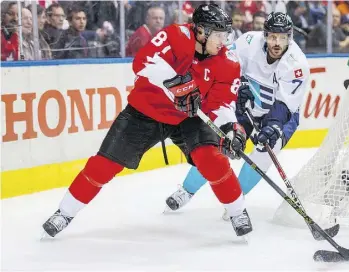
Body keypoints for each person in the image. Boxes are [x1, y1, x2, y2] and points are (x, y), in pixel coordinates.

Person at [42, 4, 252, 239]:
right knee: (105, 163)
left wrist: (230, 128)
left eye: (226, 35)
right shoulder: (175, 35)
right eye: (219, 35)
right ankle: (64, 212)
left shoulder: (228, 62)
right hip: (146, 110)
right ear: (201, 32)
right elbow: (142, 61)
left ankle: (237, 211)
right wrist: (177, 84)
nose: (223, 41)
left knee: (211, 158)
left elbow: (221, 104)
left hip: (191, 117)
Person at [165, 12, 309, 217]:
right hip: (247, 105)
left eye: (283, 37)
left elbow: (285, 105)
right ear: (265, 35)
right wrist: (238, 83)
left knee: (265, 153)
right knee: (220, 144)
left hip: (280, 114)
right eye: (273, 36)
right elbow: (224, 64)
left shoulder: (297, 64)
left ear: (290, 38)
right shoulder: (248, 42)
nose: (277, 42)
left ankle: (236, 202)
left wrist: (273, 126)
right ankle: (186, 191)